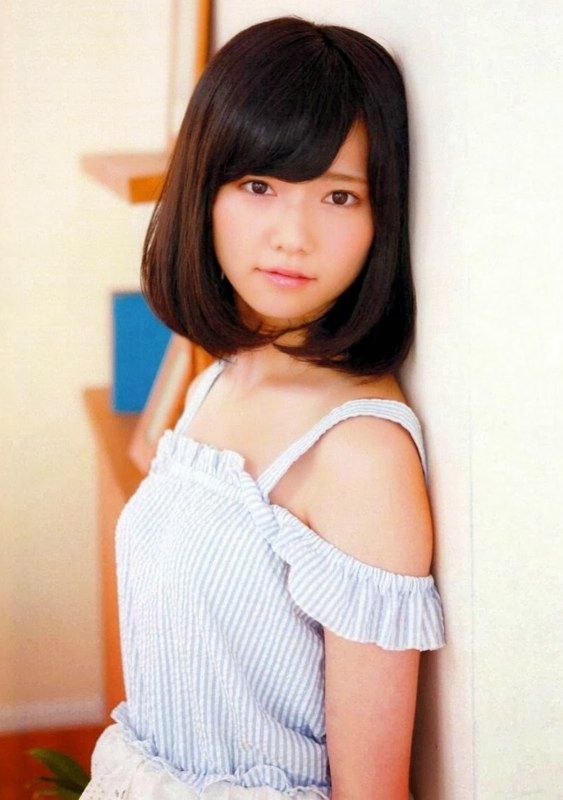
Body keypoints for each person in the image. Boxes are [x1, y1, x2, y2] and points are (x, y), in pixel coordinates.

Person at [81, 15, 446, 800]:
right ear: (204, 192)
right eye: (259, 186)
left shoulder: (359, 454)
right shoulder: (221, 375)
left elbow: (371, 792)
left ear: (381, 217)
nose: (292, 236)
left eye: (339, 196)